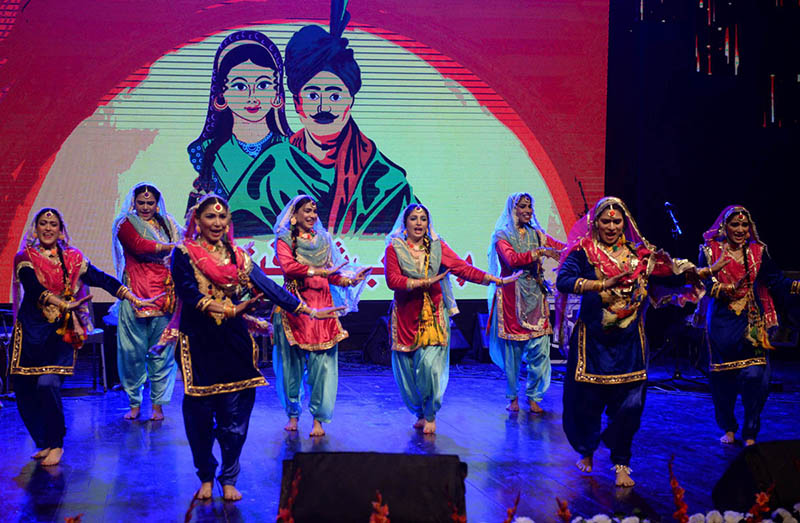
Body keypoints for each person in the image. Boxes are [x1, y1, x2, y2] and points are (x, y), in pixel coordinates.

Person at [170, 194, 341, 501]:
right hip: (197, 343)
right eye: (210, 217)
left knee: (235, 416)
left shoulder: (238, 257)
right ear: (198, 220)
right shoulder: (184, 253)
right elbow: (187, 292)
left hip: (234, 344)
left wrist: (307, 310)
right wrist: (228, 310)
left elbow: (270, 288)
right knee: (199, 415)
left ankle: (230, 475)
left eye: (222, 218)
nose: (217, 223)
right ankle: (206, 475)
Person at [555, 197, 705, 487]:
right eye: (605, 221)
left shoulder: (640, 255)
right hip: (592, 342)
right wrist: (601, 285)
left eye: (616, 221)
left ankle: (621, 460)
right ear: (595, 223)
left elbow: (669, 274)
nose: (611, 226)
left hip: (630, 341)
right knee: (586, 402)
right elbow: (563, 280)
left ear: (625, 223)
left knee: (631, 405)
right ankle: (587, 449)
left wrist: (693, 273)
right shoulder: (583, 252)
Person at [11, 208, 147, 466]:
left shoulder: (73, 259)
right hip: (29, 332)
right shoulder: (24, 257)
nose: (48, 228)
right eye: (43, 223)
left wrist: (130, 297)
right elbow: (32, 286)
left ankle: (57, 443)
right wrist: (60, 303)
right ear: (36, 228)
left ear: (61, 229)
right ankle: (44, 441)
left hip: (60, 333)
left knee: (47, 384)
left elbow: (100, 279)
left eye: (53, 224)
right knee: (25, 390)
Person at [277, 0, 413, 234]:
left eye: (334, 96)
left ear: (351, 101)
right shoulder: (270, 169)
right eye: (312, 94)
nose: (323, 107)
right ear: (297, 102)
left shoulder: (386, 183)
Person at [384, 204, 518, 434]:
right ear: (405, 224)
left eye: (423, 219)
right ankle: (419, 411)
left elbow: (462, 268)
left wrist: (495, 280)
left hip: (434, 315)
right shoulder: (394, 249)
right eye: (414, 219)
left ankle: (431, 413)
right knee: (407, 372)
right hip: (406, 316)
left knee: (430, 368)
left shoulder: (437, 247)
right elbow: (392, 280)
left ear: (428, 223)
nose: (418, 223)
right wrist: (421, 282)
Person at [698, 205, 800, 447]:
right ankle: (729, 427)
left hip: (751, 321)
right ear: (725, 227)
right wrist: (730, 289)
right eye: (735, 225)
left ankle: (751, 431)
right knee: (723, 380)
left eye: (744, 225)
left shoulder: (757, 251)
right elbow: (708, 286)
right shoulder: (709, 251)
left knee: (758, 379)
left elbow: (775, 280)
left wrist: (797, 286)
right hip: (722, 321)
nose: (741, 230)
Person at [272, 195, 369, 437]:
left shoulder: (324, 240)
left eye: (314, 211)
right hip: (294, 308)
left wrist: (349, 280)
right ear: (294, 216)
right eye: (307, 210)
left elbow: (333, 275)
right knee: (289, 368)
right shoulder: (285, 240)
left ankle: (318, 419)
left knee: (323, 370)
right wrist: (320, 271)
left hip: (323, 309)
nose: (313, 215)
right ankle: (293, 415)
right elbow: (289, 268)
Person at [187, 30, 292, 236]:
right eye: (240, 86)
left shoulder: (294, 148)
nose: (252, 97)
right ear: (222, 96)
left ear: (276, 94)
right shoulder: (205, 151)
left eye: (262, 85)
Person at [487, 192, 564, 413]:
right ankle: (513, 398)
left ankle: (534, 396)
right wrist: (540, 252)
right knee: (514, 352)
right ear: (513, 209)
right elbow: (511, 260)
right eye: (522, 207)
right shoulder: (502, 235)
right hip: (512, 298)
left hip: (535, 297)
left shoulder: (537, 234)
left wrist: (581, 245)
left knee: (540, 351)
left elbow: (559, 247)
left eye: (530, 207)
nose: (528, 211)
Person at [111, 182, 182, 421]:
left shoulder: (168, 224)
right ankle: (134, 403)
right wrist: (173, 247)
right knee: (132, 352)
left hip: (164, 294)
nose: (145, 207)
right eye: (141, 202)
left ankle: (158, 405)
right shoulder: (125, 224)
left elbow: (189, 241)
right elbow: (139, 247)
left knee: (162, 353)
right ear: (134, 202)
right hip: (135, 294)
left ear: (156, 203)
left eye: (150, 203)